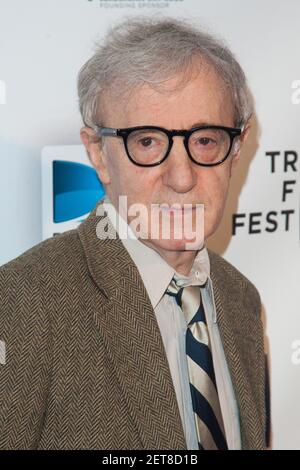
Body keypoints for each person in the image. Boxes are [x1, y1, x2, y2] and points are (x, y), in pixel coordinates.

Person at [0, 16, 268, 450]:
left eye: (204, 140)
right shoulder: (21, 303)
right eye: (147, 142)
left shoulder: (241, 300)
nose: (181, 177)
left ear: (236, 148)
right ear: (98, 154)